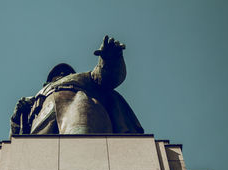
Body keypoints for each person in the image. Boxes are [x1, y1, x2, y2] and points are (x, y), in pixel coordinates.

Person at [10, 35, 144, 135]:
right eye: (57, 72)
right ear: (49, 80)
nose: (62, 72)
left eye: (65, 71)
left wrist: (110, 58)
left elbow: (107, 77)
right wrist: (16, 118)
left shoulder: (84, 78)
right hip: (41, 119)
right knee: (34, 158)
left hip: (78, 106)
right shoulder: (36, 98)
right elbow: (16, 139)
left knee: (80, 146)